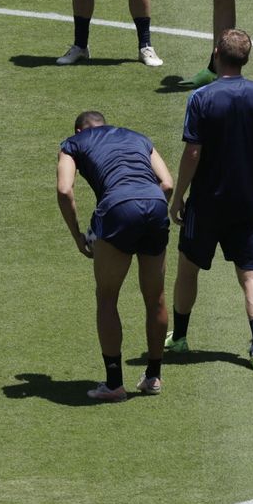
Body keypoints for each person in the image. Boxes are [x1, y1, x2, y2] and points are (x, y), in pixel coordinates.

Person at [167, 29, 253, 370]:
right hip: (247, 201)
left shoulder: (201, 98)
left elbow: (193, 151)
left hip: (206, 201)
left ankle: (179, 337)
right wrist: (252, 154)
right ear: (246, 59)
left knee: (188, 268)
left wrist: (178, 196)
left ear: (216, 54)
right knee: (250, 275)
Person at [57, 111, 174, 401]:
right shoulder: (137, 137)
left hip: (117, 208)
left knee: (107, 297)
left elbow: (64, 189)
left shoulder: (74, 142)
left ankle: (113, 385)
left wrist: (77, 236)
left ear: (78, 129)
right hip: (156, 204)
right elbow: (168, 183)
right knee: (156, 296)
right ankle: (153, 377)